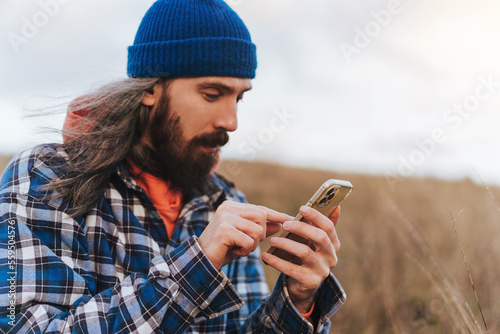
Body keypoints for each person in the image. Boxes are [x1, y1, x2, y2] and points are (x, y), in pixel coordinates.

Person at [0, 1, 346, 333]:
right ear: (151, 88)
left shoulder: (222, 200)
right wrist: (197, 264)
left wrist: (298, 303)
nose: (231, 121)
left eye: (239, 98)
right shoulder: (47, 178)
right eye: (212, 94)